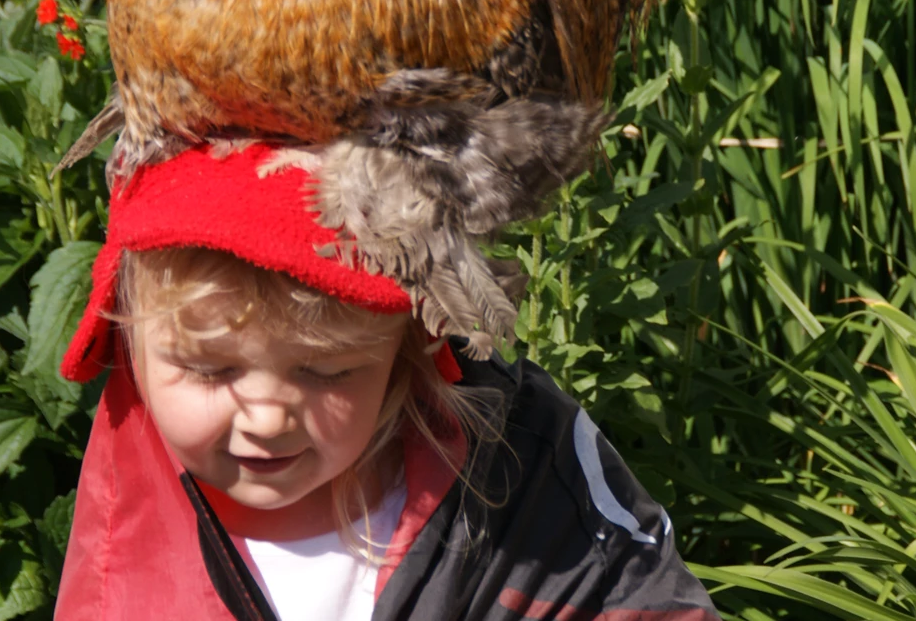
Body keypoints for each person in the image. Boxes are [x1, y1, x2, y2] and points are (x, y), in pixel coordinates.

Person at [55, 144, 721, 621]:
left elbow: (632, 595)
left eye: (323, 372)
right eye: (209, 369)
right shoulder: (133, 506)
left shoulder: (515, 474)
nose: (265, 417)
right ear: (128, 346)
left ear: (409, 347)